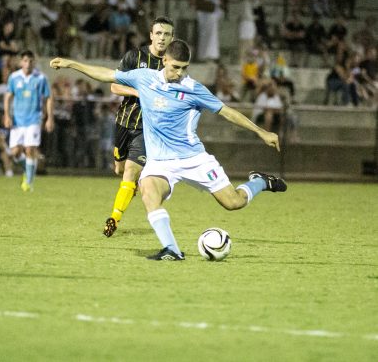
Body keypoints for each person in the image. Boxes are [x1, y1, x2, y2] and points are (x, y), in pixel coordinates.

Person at [50, 39, 287, 261]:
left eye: (184, 67)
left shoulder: (194, 88)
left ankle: (260, 182)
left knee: (233, 202)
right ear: (164, 61)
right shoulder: (144, 78)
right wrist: (72, 64)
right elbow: (107, 75)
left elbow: (227, 112)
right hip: (160, 161)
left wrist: (261, 132)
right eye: (176, 67)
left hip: (194, 158)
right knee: (147, 189)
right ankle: (172, 250)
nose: (180, 73)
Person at [102, 16, 174, 237]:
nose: (162, 38)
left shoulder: (173, 65)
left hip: (147, 130)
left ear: (172, 38)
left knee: (131, 173)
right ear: (151, 35)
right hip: (124, 123)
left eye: (167, 34)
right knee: (120, 169)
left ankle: (113, 218)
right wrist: (138, 92)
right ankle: (128, 189)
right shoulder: (135, 57)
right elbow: (114, 87)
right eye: (158, 33)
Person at [3, 50, 54, 192]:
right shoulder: (14, 77)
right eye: (25, 60)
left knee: (30, 149)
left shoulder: (41, 78)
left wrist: (50, 118)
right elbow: (8, 96)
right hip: (18, 121)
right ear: (21, 62)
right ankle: (29, 168)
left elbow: (48, 97)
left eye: (31, 61)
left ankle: (29, 182)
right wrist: (7, 115)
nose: (28, 63)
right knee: (15, 153)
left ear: (34, 62)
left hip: (34, 119)